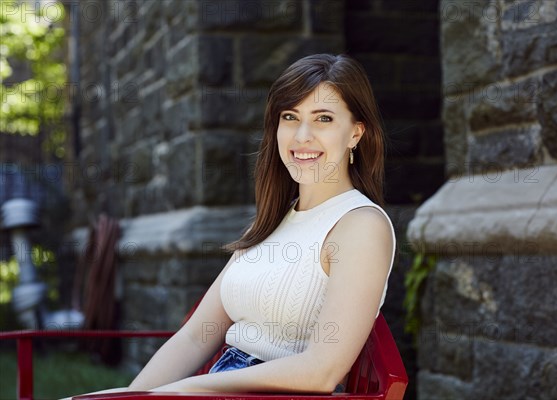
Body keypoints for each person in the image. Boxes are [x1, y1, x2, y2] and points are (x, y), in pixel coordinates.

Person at [71, 53, 396, 396]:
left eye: (323, 119)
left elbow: (321, 371)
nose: (302, 136)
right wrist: (133, 396)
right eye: (290, 116)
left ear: (355, 134)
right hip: (220, 384)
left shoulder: (361, 226)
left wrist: (189, 389)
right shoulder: (275, 219)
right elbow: (196, 336)